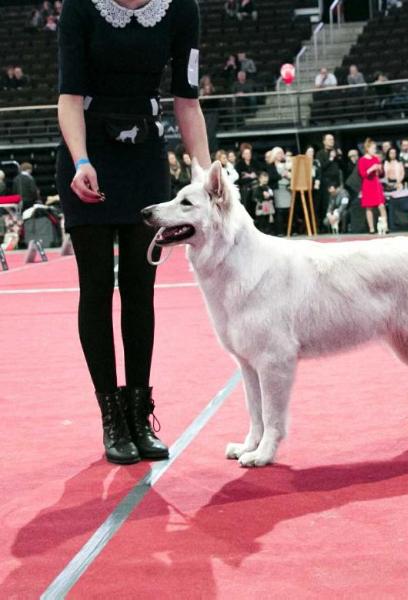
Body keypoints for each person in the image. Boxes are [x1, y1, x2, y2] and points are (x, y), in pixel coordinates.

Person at [56, 0, 210, 465]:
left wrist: (205, 175)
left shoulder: (181, 10)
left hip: (145, 158)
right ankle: (112, 416)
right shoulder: (80, 9)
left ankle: (140, 415)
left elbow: (187, 100)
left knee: (141, 291)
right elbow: (67, 98)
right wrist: (81, 161)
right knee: (97, 288)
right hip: (89, 154)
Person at [358, 138, 388, 234]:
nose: (375, 150)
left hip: (376, 184)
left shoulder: (375, 159)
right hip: (367, 185)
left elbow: (381, 174)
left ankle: (385, 226)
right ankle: (371, 228)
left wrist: (380, 169)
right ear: (367, 148)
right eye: (373, 148)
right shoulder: (362, 160)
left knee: (381, 206)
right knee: (369, 207)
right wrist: (371, 169)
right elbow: (362, 174)